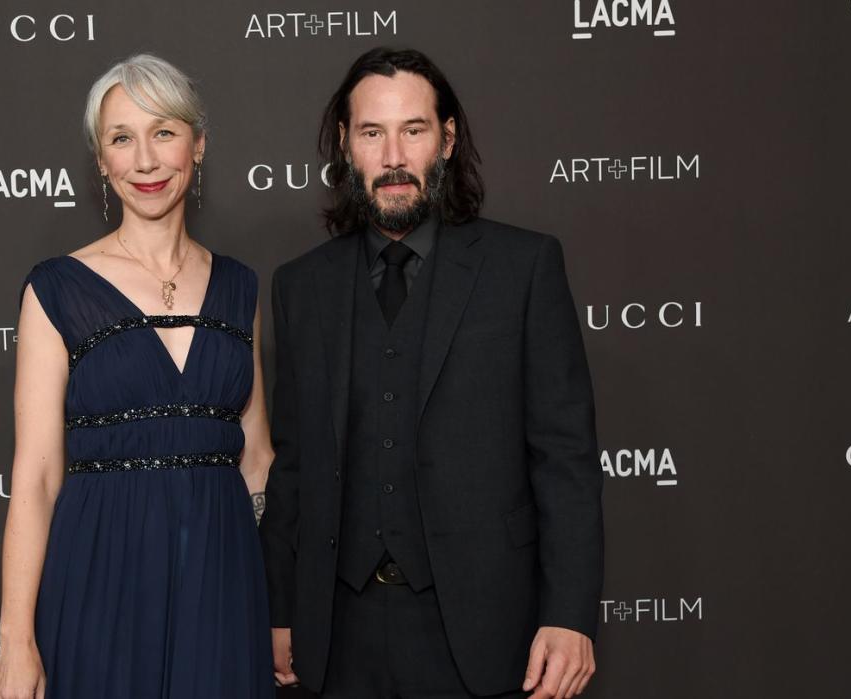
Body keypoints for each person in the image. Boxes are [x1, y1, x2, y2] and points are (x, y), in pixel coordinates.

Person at [258, 47, 603, 699]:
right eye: (371, 132)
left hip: (483, 629)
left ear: (445, 140)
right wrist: (280, 606)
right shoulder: (302, 287)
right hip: (337, 634)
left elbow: (566, 458)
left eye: (413, 130)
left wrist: (569, 613)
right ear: (345, 144)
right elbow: (295, 465)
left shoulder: (522, 268)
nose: (393, 156)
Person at [0, 54, 274, 699]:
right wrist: (18, 640)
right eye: (122, 138)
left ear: (198, 145)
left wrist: (275, 603)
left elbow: (257, 459)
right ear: (101, 160)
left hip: (223, 577)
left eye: (164, 132)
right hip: (100, 574)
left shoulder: (239, 287)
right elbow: (34, 475)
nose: (145, 160)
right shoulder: (57, 288)